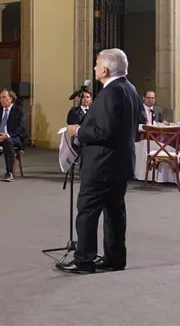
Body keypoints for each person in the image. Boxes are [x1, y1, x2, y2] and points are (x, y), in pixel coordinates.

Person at [60, 48, 140, 274]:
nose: (94, 68)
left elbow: (104, 131)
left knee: (87, 210)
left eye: (96, 64)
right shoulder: (130, 89)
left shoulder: (110, 92)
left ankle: (83, 259)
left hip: (101, 163)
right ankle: (115, 258)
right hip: (120, 162)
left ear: (104, 69)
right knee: (115, 211)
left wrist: (79, 131)